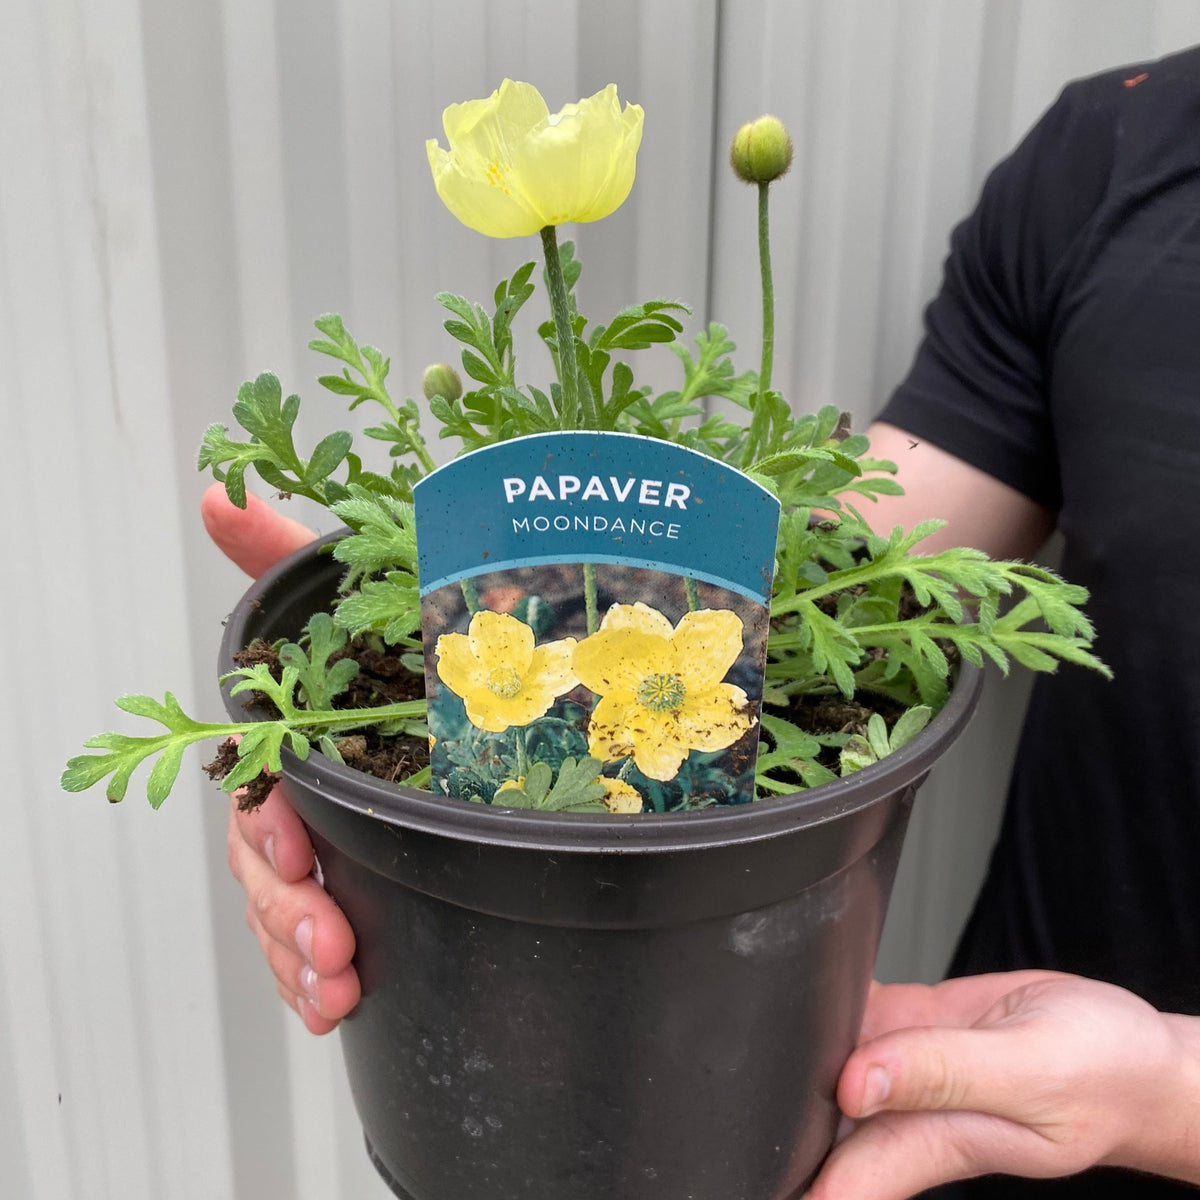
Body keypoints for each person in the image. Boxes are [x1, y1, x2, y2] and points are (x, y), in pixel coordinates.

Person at [208, 44, 1200, 1197]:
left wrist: (1169, 1091)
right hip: (999, 1074)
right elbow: (869, 551)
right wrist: (433, 605)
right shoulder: (1114, 149)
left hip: (1065, 1078)